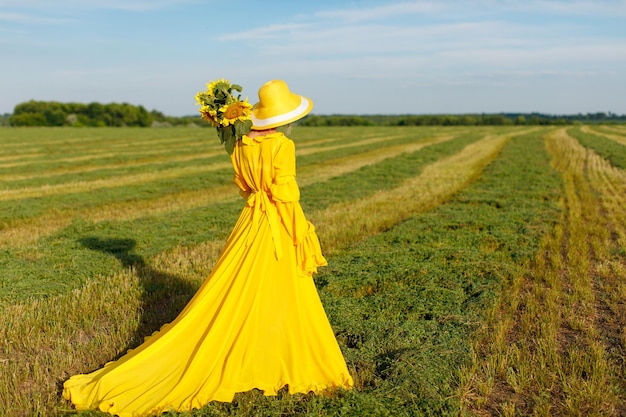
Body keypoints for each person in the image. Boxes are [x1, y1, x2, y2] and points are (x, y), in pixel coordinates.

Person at [62, 80, 354, 416]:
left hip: (250, 222)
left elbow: (246, 188)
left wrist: (259, 206)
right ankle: (269, 352)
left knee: (239, 286)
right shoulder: (282, 146)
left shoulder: (240, 144)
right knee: (282, 289)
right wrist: (300, 231)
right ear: (284, 118)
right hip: (275, 222)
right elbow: (286, 196)